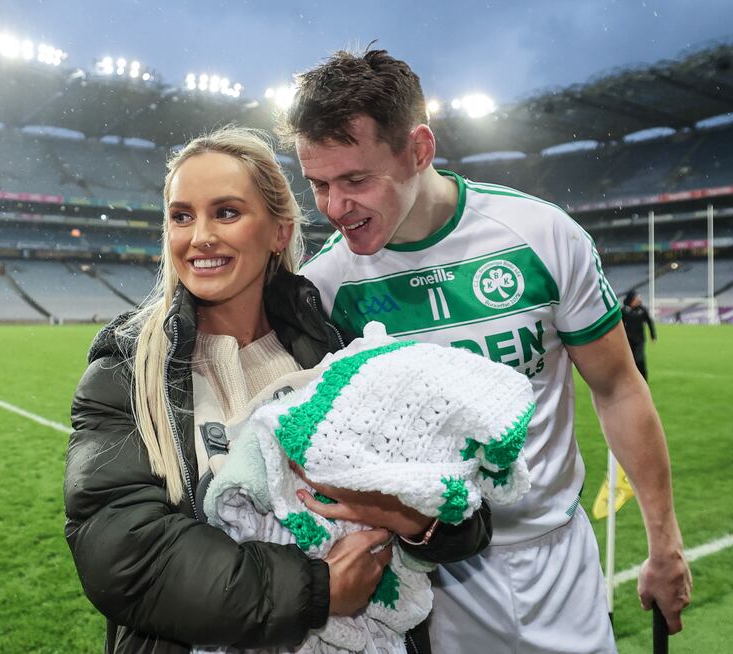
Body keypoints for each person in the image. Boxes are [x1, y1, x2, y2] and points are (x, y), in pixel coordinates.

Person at [280, 48, 692, 653]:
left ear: (420, 150)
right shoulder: (326, 287)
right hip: (423, 577)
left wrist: (665, 541)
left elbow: (617, 387)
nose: (335, 208)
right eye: (318, 185)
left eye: (356, 180)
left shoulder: (541, 235)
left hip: (556, 559)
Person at [64, 126, 489, 654]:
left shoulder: (338, 353)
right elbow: (124, 556)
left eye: (226, 212)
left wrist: (417, 518)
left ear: (278, 233)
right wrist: (317, 590)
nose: (199, 237)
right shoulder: (125, 371)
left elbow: (464, 510)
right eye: (181, 216)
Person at [622, 291, 656, 380]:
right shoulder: (624, 310)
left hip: (640, 340)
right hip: (628, 340)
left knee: (639, 359)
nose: (639, 299)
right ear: (632, 299)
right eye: (637, 297)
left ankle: (644, 379)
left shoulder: (642, 310)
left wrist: (653, 335)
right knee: (630, 361)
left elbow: (649, 322)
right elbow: (619, 324)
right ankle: (631, 379)